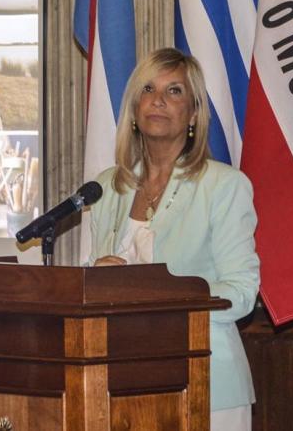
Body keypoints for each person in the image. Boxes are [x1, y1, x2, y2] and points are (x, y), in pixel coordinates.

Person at [88, 48, 259, 431]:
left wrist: (158, 296)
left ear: (194, 113)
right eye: (148, 88)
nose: (159, 100)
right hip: (121, 382)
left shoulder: (223, 186)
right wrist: (93, 277)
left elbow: (242, 292)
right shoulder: (105, 188)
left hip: (207, 384)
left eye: (175, 91)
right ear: (134, 109)